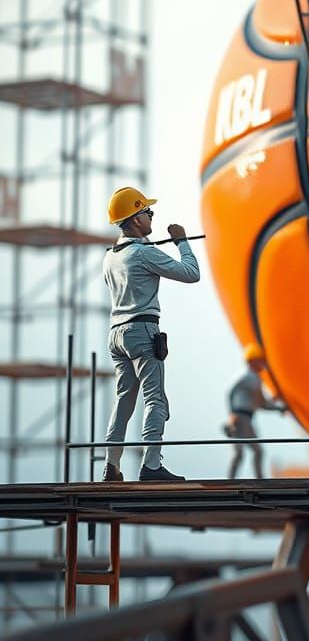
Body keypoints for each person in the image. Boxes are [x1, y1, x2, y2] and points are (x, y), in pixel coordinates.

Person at [101, 186, 200, 483]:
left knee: (124, 401)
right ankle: (152, 465)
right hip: (142, 329)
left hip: (116, 333)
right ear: (135, 219)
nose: (150, 215)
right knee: (155, 398)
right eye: (147, 211)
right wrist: (181, 242)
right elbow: (190, 272)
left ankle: (111, 465)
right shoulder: (143, 253)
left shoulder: (111, 257)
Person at [224, 343, 287, 479]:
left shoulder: (250, 378)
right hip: (242, 418)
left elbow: (259, 403)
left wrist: (278, 407)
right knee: (253, 452)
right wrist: (231, 414)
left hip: (244, 417)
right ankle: (257, 480)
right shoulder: (250, 378)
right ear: (252, 361)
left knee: (242, 453)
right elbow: (260, 403)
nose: (263, 363)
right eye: (260, 359)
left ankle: (232, 481)